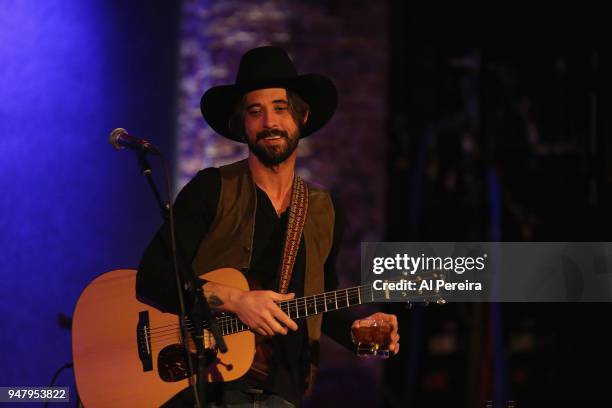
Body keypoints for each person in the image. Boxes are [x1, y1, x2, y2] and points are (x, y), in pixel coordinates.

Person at [137, 46, 399, 408]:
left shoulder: (325, 210)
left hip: (282, 391)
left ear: (302, 117)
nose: (270, 123)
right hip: (206, 385)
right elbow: (153, 276)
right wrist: (238, 300)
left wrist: (358, 332)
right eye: (255, 112)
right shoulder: (211, 189)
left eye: (281, 108)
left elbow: (321, 299)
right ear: (241, 124)